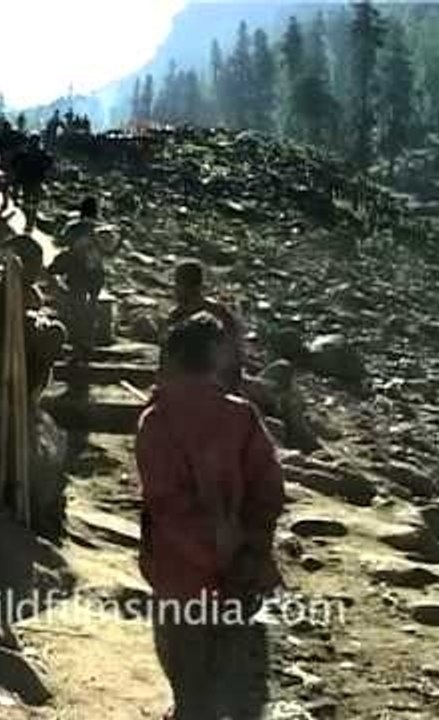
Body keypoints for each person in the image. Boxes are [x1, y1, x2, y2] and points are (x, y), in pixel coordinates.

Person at [137, 312, 283, 720]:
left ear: (171, 360)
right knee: (238, 690)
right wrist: (249, 551)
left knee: (190, 684)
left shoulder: (157, 421)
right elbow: (269, 491)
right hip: (241, 578)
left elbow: (168, 508)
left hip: (182, 579)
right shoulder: (241, 416)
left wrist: (214, 556)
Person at [0, 235, 66, 397]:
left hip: (29, 361)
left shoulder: (32, 292)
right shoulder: (4, 290)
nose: (37, 269)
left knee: (56, 331)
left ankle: (32, 393)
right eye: (34, 263)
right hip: (5, 356)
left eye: (39, 263)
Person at [49, 196, 119, 359]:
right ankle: (89, 340)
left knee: (77, 304)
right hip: (96, 274)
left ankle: (77, 340)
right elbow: (110, 252)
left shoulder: (73, 227)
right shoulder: (103, 229)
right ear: (97, 211)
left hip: (76, 272)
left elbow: (60, 242)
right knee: (93, 305)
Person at [164, 259, 246, 390]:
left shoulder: (217, 315)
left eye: (177, 284)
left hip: (214, 383)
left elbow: (234, 354)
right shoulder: (221, 313)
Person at [12, 134, 54, 231]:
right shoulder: (41, 153)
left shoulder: (24, 153)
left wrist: (18, 172)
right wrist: (45, 172)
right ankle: (31, 222)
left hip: (26, 179)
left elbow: (14, 163)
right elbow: (50, 163)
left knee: (27, 200)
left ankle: (27, 221)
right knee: (34, 201)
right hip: (36, 180)